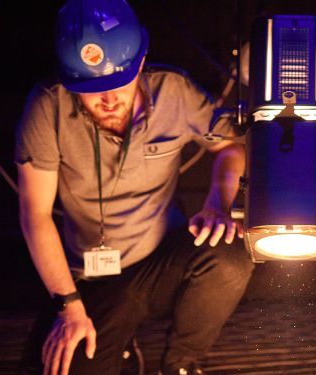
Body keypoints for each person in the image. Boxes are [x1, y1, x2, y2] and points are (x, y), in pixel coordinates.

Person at [14, 0, 253, 374]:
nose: (108, 100)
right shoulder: (48, 106)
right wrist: (69, 307)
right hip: (91, 280)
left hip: (161, 261)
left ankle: (181, 364)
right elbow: (35, 215)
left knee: (229, 253)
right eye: (92, 90)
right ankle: (124, 349)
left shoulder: (173, 91)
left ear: (140, 63)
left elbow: (230, 146)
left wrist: (217, 205)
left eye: (117, 84)